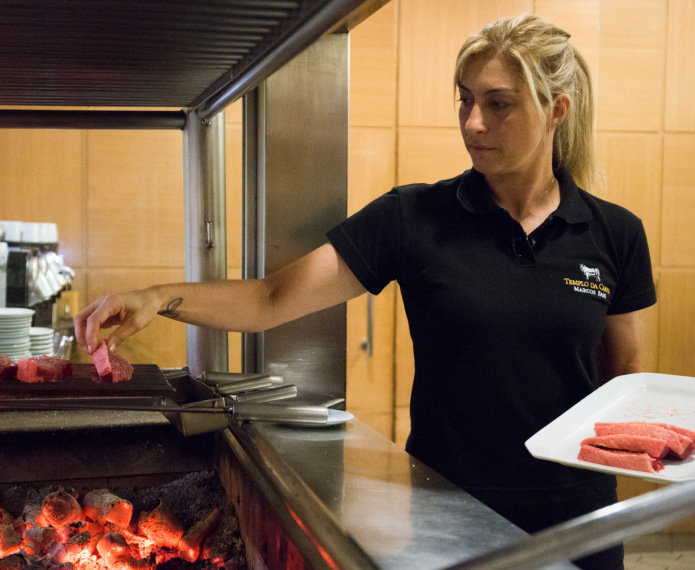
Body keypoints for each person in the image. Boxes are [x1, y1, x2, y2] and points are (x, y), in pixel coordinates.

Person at [75, 14, 655, 570]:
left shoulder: (615, 234)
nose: (473, 122)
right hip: (451, 513)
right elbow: (271, 300)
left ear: (557, 111)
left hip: (578, 521)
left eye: (498, 104)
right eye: (465, 99)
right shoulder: (414, 216)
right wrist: (157, 296)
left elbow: (624, 381)